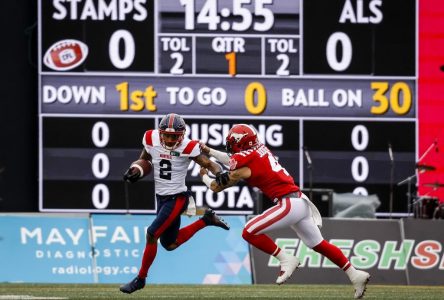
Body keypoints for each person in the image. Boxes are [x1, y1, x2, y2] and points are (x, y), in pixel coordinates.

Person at [199, 124, 370, 299]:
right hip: (301, 201)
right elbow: (232, 159)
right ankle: (354, 274)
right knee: (318, 244)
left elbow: (216, 187)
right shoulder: (258, 150)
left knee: (248, 231)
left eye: (232, 143)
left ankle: (285, 258)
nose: (230, 147)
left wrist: (204, 176)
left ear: (241, 144)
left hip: (289, 204)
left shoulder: (243, 162)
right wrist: (209, 151)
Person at [119, 113, 230, 294]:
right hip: (161, 198)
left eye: (174, 136)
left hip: (177, 197)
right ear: (160, 132)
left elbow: (209, 164)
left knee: (151, 234)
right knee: (169, 244)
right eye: (167, 135)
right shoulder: (150, 138)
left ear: (182, 135)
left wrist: (219, 173)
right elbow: (145, 159)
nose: (170, 139)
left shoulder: (188, 147)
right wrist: (136, 170)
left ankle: (140, 279)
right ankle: (206, 220)